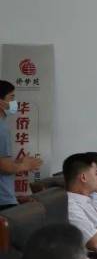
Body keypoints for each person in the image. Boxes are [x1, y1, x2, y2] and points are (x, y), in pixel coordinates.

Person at [0, 80, 43, 210]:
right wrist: (25, 165)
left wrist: (18, 163)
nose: (15, 102)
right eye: (11, 97)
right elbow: (4, 166)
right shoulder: (1, 129)